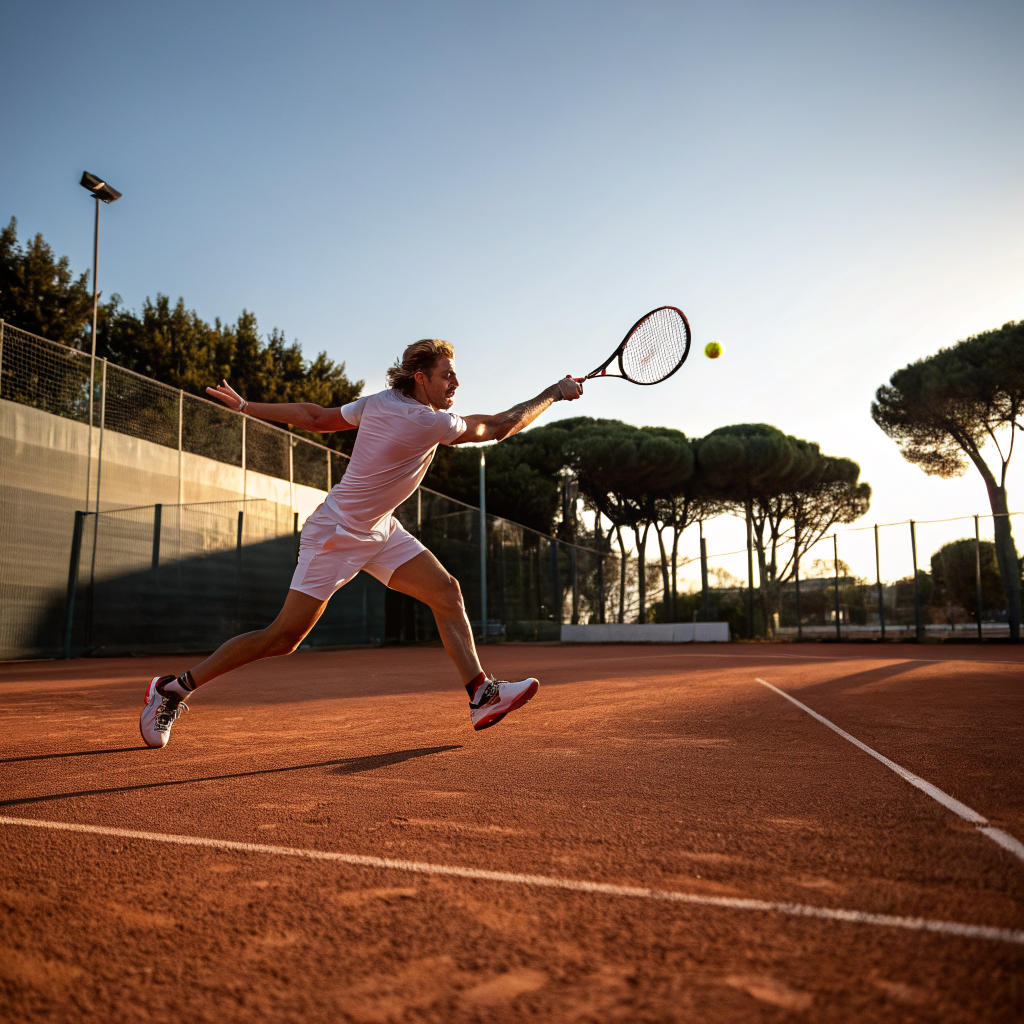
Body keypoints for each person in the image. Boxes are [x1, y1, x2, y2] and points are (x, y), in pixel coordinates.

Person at [140, 338, 583, 748]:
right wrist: (554, 392)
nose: (456, 382)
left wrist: (247, 404)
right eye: (447, 374)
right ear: (421, 378)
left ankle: (481, 694)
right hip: (335, 534)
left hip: (381, 529)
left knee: (446, 592)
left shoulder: (381, 402)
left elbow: (318, 419)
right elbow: (501, 426)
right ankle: (171, 689)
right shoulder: (426, 420)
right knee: (282, 638)